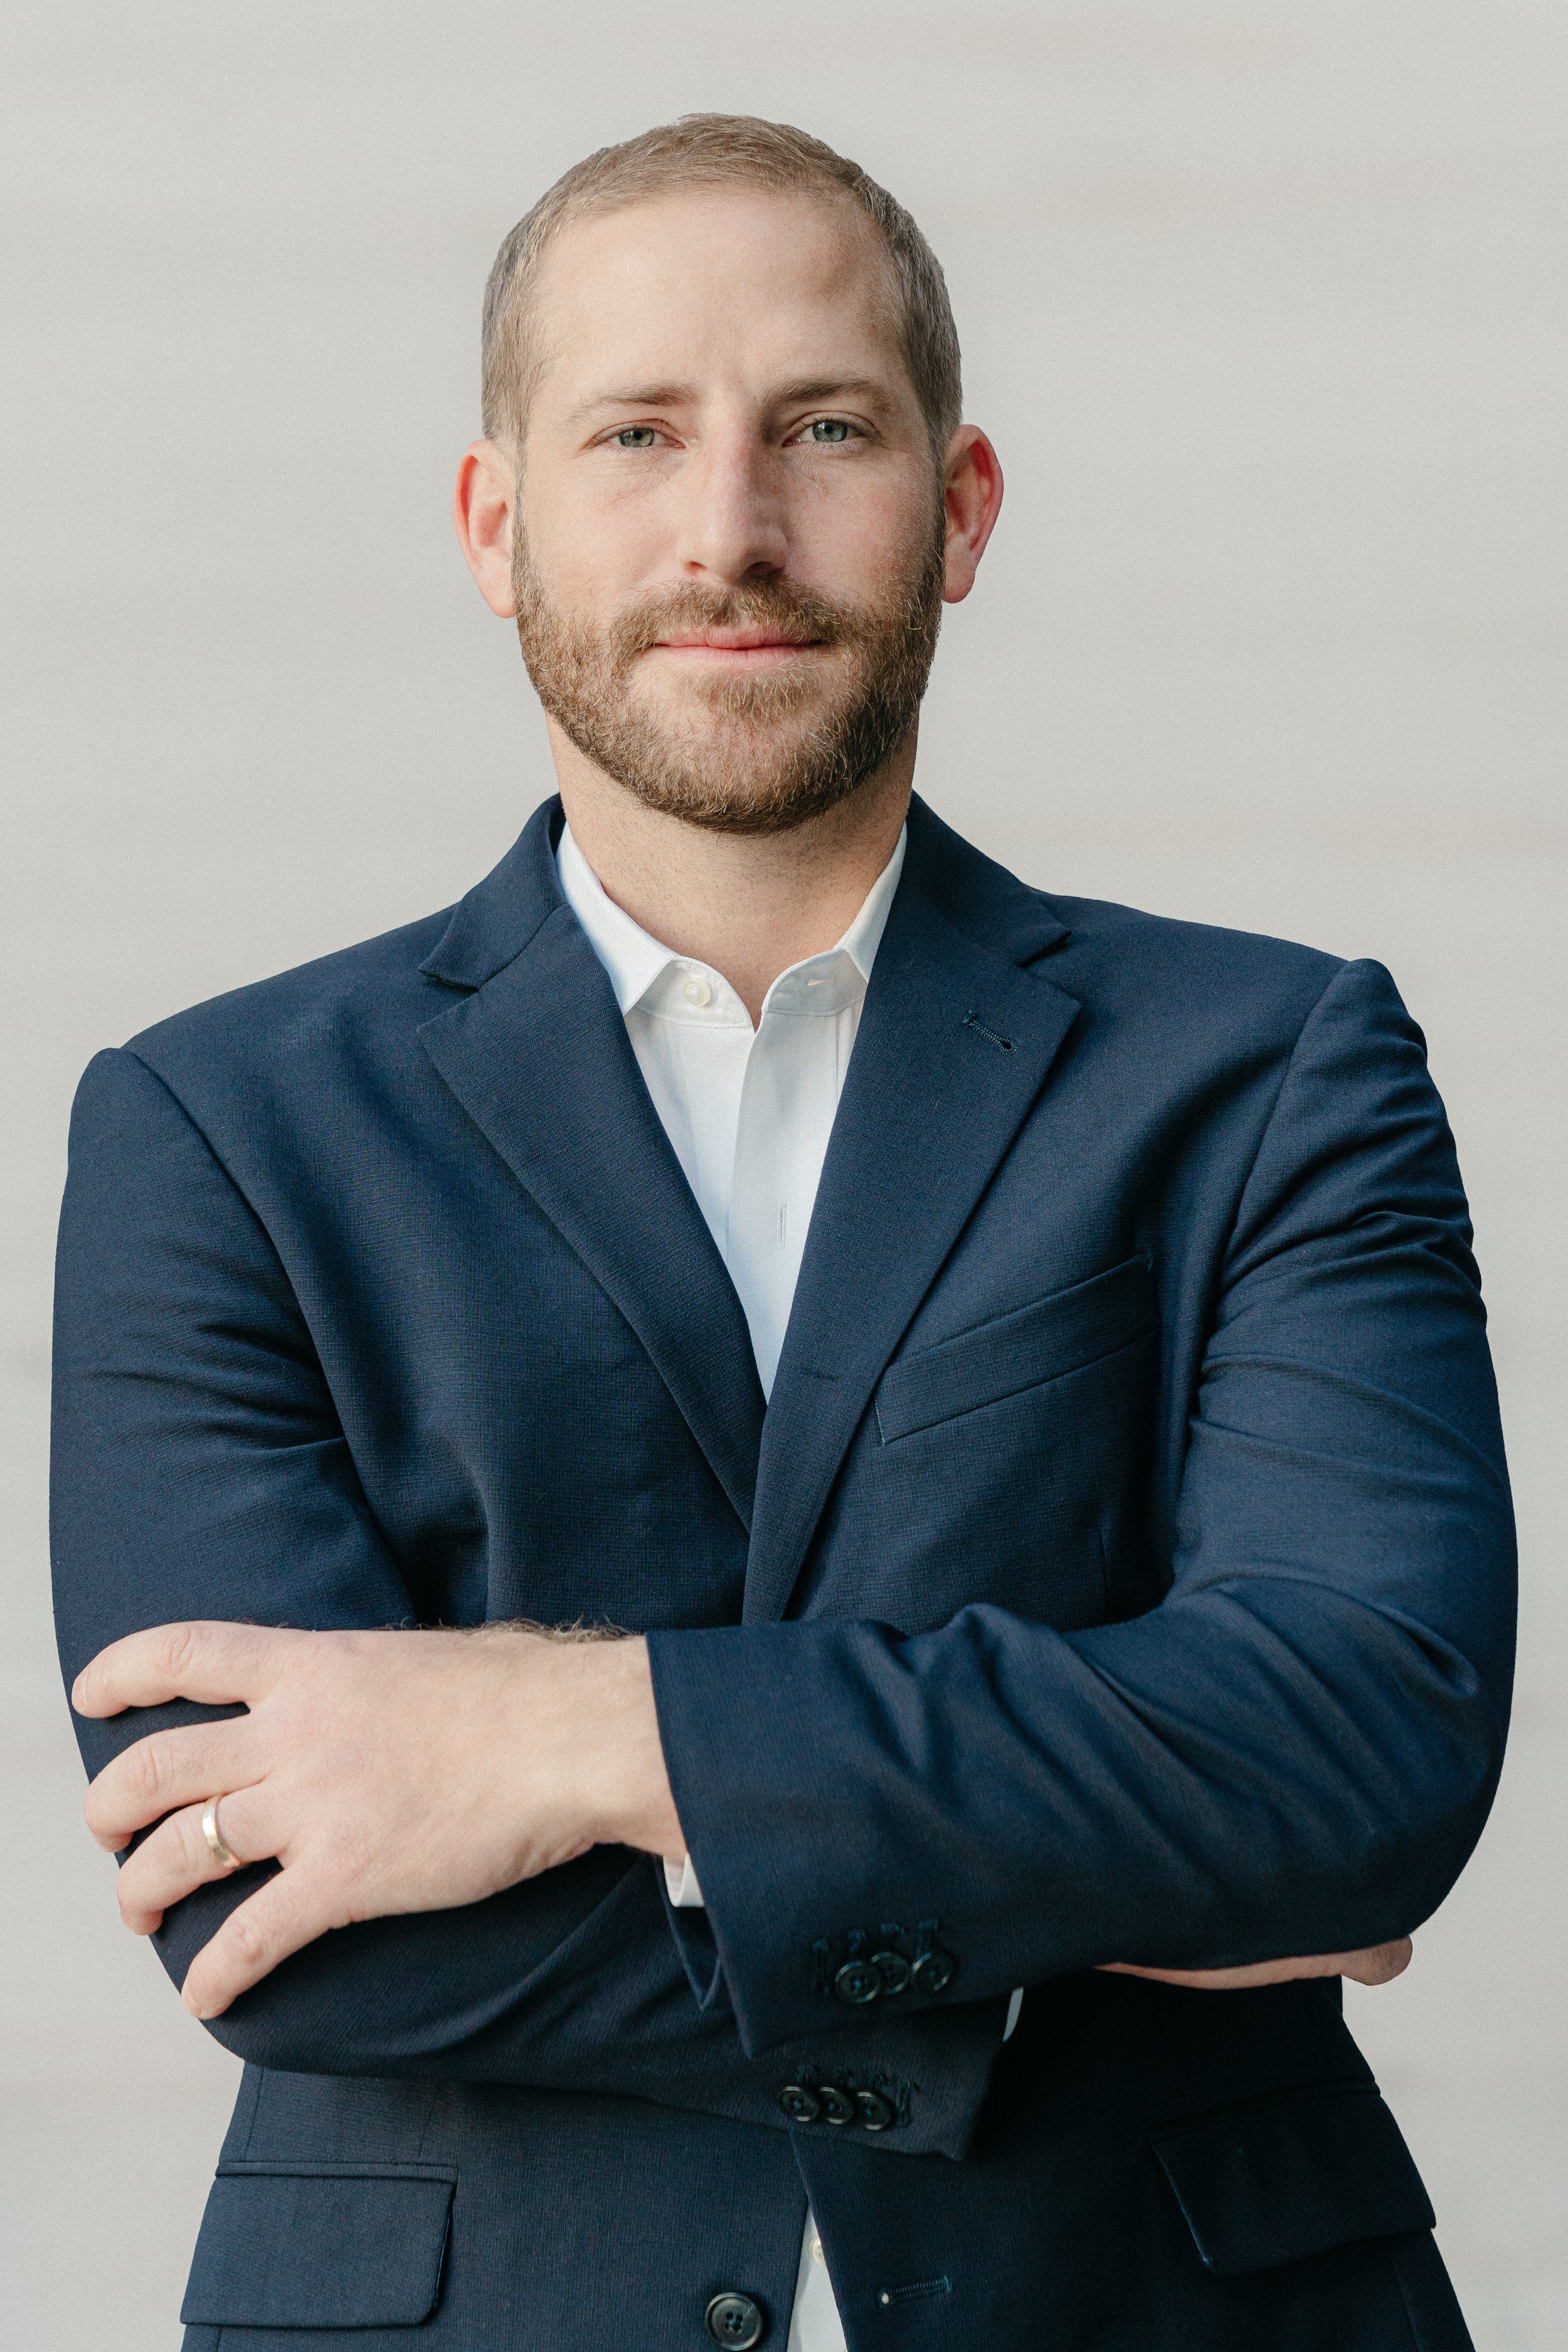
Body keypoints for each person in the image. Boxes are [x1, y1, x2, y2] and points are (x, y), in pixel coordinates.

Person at [52, 115, 1513, 2352]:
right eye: (634, 433)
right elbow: (274, 1904)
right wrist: (1075, 1889)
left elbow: (1358, 1753)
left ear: (960, 507)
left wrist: (559, 1732)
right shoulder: (216, 1126)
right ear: (493, 519)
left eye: (821, 428)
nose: (728, 529)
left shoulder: (1268, 1063)